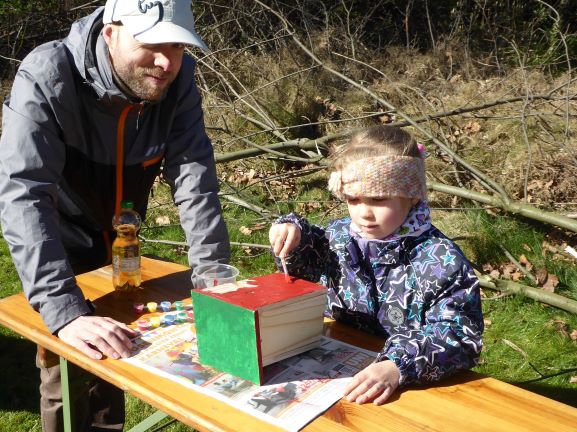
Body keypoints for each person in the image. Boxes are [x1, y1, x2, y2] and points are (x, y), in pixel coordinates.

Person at [0, 0, 230, 430]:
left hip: (123, 244)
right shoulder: (48, 75)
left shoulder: (178, 80)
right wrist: (62, 309)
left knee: (119, 356)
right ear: (111, 33)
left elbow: (194, 177)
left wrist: (215, 278)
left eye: (178, 48)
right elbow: (24, 193)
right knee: (67, 367)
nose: (166, 62)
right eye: (152, 44)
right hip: (59, 239)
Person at [269, 125, 483, 406]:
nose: (364, 213)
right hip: (340, 363)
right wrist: (295, 237)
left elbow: (459, 335)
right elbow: (301, 274)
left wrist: (398, 366)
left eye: (379, 199)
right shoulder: (340, 236)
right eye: (353, 199)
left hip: (408, 386)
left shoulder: (440, 259)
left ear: (412, 195)